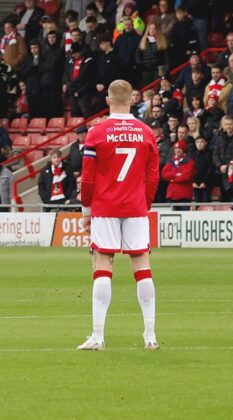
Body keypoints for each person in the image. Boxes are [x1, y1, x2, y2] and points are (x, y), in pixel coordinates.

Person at [77, 79, 160, 351]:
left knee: (103, 267)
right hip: (135, 207)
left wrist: (86, 209)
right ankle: (150, 336)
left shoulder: (96, 132)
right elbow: (152, 175)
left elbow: (87, 178)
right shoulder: (146, 132)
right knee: (143, 268)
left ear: (108, 101)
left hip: (105, 207)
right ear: (133, 100)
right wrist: (144, 203)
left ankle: (98, 337)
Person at [161, 139, 194, 209]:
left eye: (179, 149)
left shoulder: (189, 162)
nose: (177, 150)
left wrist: (172, 179)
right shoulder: (171, 161)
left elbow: (186, 177)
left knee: (184, 218)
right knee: (171, 218)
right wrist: (176, 174)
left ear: (183, 150)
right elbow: (164, 175)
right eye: (176, 148)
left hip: (184, 195)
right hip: (171, 195)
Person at [191, 134, 213, 203]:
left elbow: (210, 169)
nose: (199, 144)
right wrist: (193, 182)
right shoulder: (193, 154)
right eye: (197, 142)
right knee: (197, 202)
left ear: (205, 143)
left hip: (207, 183)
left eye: (201, 142)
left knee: (205, 201)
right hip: (195, 183)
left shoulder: (209, 154)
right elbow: (190, 169)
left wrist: (205, 182)